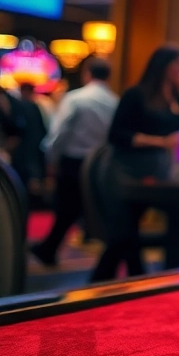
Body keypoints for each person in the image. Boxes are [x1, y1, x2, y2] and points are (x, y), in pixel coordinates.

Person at [96, 45, 179, 282]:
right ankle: (132, 282)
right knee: (124, 234)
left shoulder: (177, 97)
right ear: (165, 66)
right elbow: (117, 135)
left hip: (157, 173)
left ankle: (108, 284)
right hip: (124, 170)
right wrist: (160, 141)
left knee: (125, 237)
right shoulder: (136, 94)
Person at [30, 57, 119, 267]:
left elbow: (59, 133)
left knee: (66, 208)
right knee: (84, 209)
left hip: (73, 161)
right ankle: (50, 249)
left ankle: (48, 250)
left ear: (87, 73)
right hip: (100, 164)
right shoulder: (115, 102)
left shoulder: (76, 99)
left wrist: (50, 159)